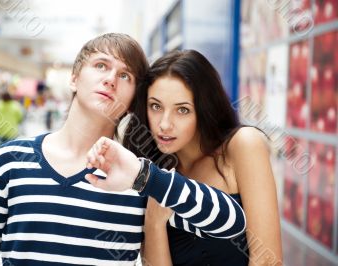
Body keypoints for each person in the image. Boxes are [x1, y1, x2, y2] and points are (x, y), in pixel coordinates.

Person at [0, 34, 245, 265]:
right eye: (101, 65)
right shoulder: (11, 161)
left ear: (134, 100)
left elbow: (231, 223)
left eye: (125, 76)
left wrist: (144, 177)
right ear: (74, 78)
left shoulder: (138, 177)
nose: (110, 79)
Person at [86, 50, 282, 265]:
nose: (164, 124)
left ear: (204, 109)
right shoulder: (150, 170)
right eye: (156, 106)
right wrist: (154, 222)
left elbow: (267, 260)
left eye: (182, 110)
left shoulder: (242, 145)